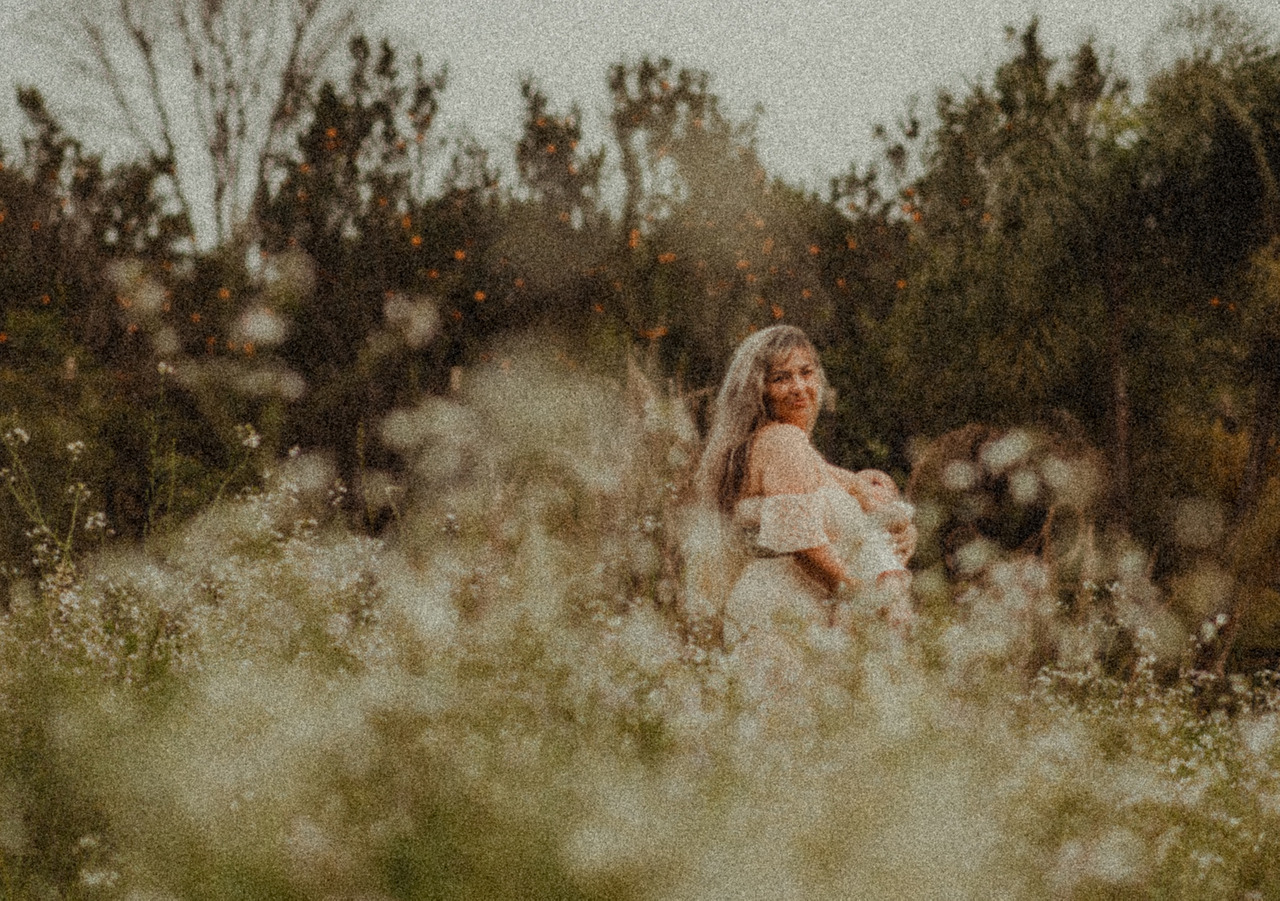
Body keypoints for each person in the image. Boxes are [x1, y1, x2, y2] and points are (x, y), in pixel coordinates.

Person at [694, 325, 916, 646]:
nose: (799, 387)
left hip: (790, 611)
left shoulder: (792, 450)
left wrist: (902, 530)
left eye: (806, 372)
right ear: (760, 390)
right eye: (781, 378)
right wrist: (864, 598)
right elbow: (801, 539)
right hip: (785, 614)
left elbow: (859, 496)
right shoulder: (784, 442)